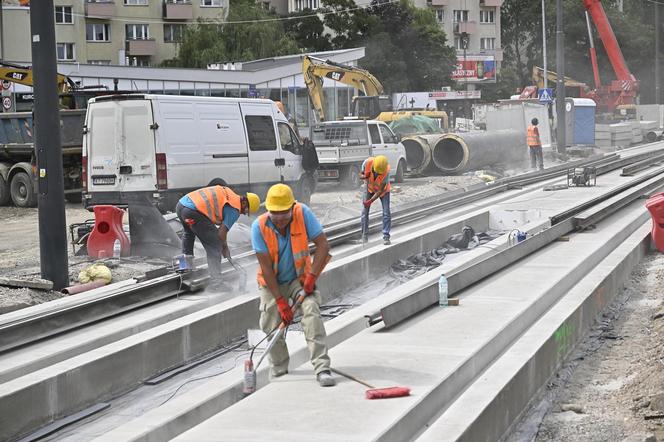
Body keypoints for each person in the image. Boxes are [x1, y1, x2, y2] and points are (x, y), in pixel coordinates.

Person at [251, 183, 335, 387]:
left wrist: (311, 278)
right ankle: (279, 369)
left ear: (292, 207)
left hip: (299, 279)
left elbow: (323, 246)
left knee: (311, 310)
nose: (279, 218)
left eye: (283, 213)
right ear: (268, 210)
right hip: (272, 284)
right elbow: (266, 269)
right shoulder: (259, 227)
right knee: (271, 321)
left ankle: (322, 367)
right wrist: (280, 302)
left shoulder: (302, 213)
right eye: (274, 213)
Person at [176, 186, 260, 291]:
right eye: (246, 210)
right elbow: (221, 233)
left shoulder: (230, 194)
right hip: (193, 211)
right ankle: (217, 284)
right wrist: (225, 249)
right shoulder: (234, 208)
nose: (243, 213)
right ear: (244, 203)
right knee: (215, 245)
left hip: (181, 206)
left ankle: (184, 267)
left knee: (188, 233)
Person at [360, 155, 392, 245]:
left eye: (379, 174)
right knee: (364, 212)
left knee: (386, 212)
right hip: (369, 188)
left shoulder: (386, 170)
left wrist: (370, 201)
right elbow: (361, 175)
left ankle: (386, 237)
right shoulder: (367, 163)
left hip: (383, 192)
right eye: (376, 172)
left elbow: (380, 190)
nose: (378, 174)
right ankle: (364, 237)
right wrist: (364, 176)